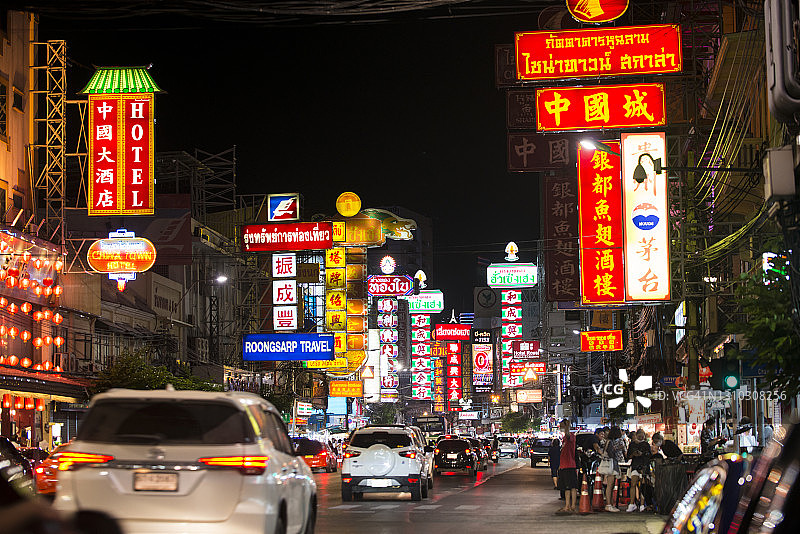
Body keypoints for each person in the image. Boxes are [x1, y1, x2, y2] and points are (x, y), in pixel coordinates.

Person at [555, 419, 578, 515]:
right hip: (564, 466)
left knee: (571, 487)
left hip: (569, 465)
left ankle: (572, 506)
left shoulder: (570, 436)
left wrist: (567, 426)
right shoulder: (564, 438)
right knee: (566, 487)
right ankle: (568, 505)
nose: (560, 428)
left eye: (561, 426)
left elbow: (569, 435)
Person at [625, 428, 650, 512]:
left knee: (643, 485)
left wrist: (642, 454)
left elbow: (648, 456)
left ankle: (642, 504)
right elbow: (628, 456)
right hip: (635, 465)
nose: (640, 437)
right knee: (633, 483)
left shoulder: (646, 445)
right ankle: (632, 503)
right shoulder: (632, 444)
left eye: (642, 435)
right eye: (639, 435)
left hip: (644, 466)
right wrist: (633, 454)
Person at [602, 426, 626, 512]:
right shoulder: (616, 441)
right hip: (613, 464)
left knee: (611, 485)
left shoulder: (608, 441)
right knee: (610, 485)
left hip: (612, 463)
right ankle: (609, 504)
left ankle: (610, 504)